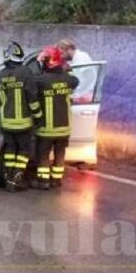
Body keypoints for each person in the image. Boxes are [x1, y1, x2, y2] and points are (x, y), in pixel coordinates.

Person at [0, 41, 41, 192]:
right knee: (23, 152)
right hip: (23, 123)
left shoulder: (0, 75)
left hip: (6, 123)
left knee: (10, 150)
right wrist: (39, 116)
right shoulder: (26, 72)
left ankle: (8, 180)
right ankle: (17, 180)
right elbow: (32, 97)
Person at [34, 46, 79, 190]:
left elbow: (31, 86)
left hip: (46, 128)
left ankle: (43, 181)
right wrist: (64, 69)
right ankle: (56, 180)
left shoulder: (41, 81)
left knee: (43, 155)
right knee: (60, 154)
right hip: (64, 128)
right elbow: (75, 80)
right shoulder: (69, 80)